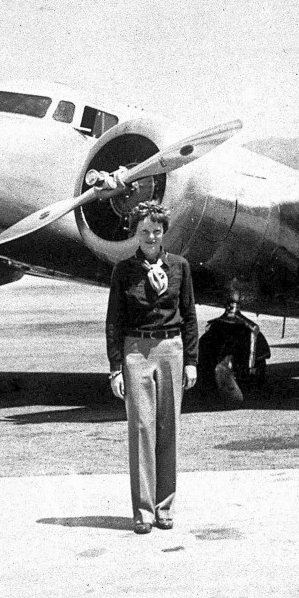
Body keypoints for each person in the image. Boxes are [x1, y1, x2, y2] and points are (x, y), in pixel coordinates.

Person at [105, 201, 199, 534]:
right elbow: (113, 321)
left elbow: (189, 315)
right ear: (136, 233)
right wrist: (115, 367)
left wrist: (191, 361)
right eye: (144, 231)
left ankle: (165, 507)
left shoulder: (180, 267)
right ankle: (143, 511)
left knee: (168, 428)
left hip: (171, 349)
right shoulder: (123, 271)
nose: (150, 236)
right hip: (136, 351)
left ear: (163, 233)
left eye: (155, 231)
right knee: (141, 429)